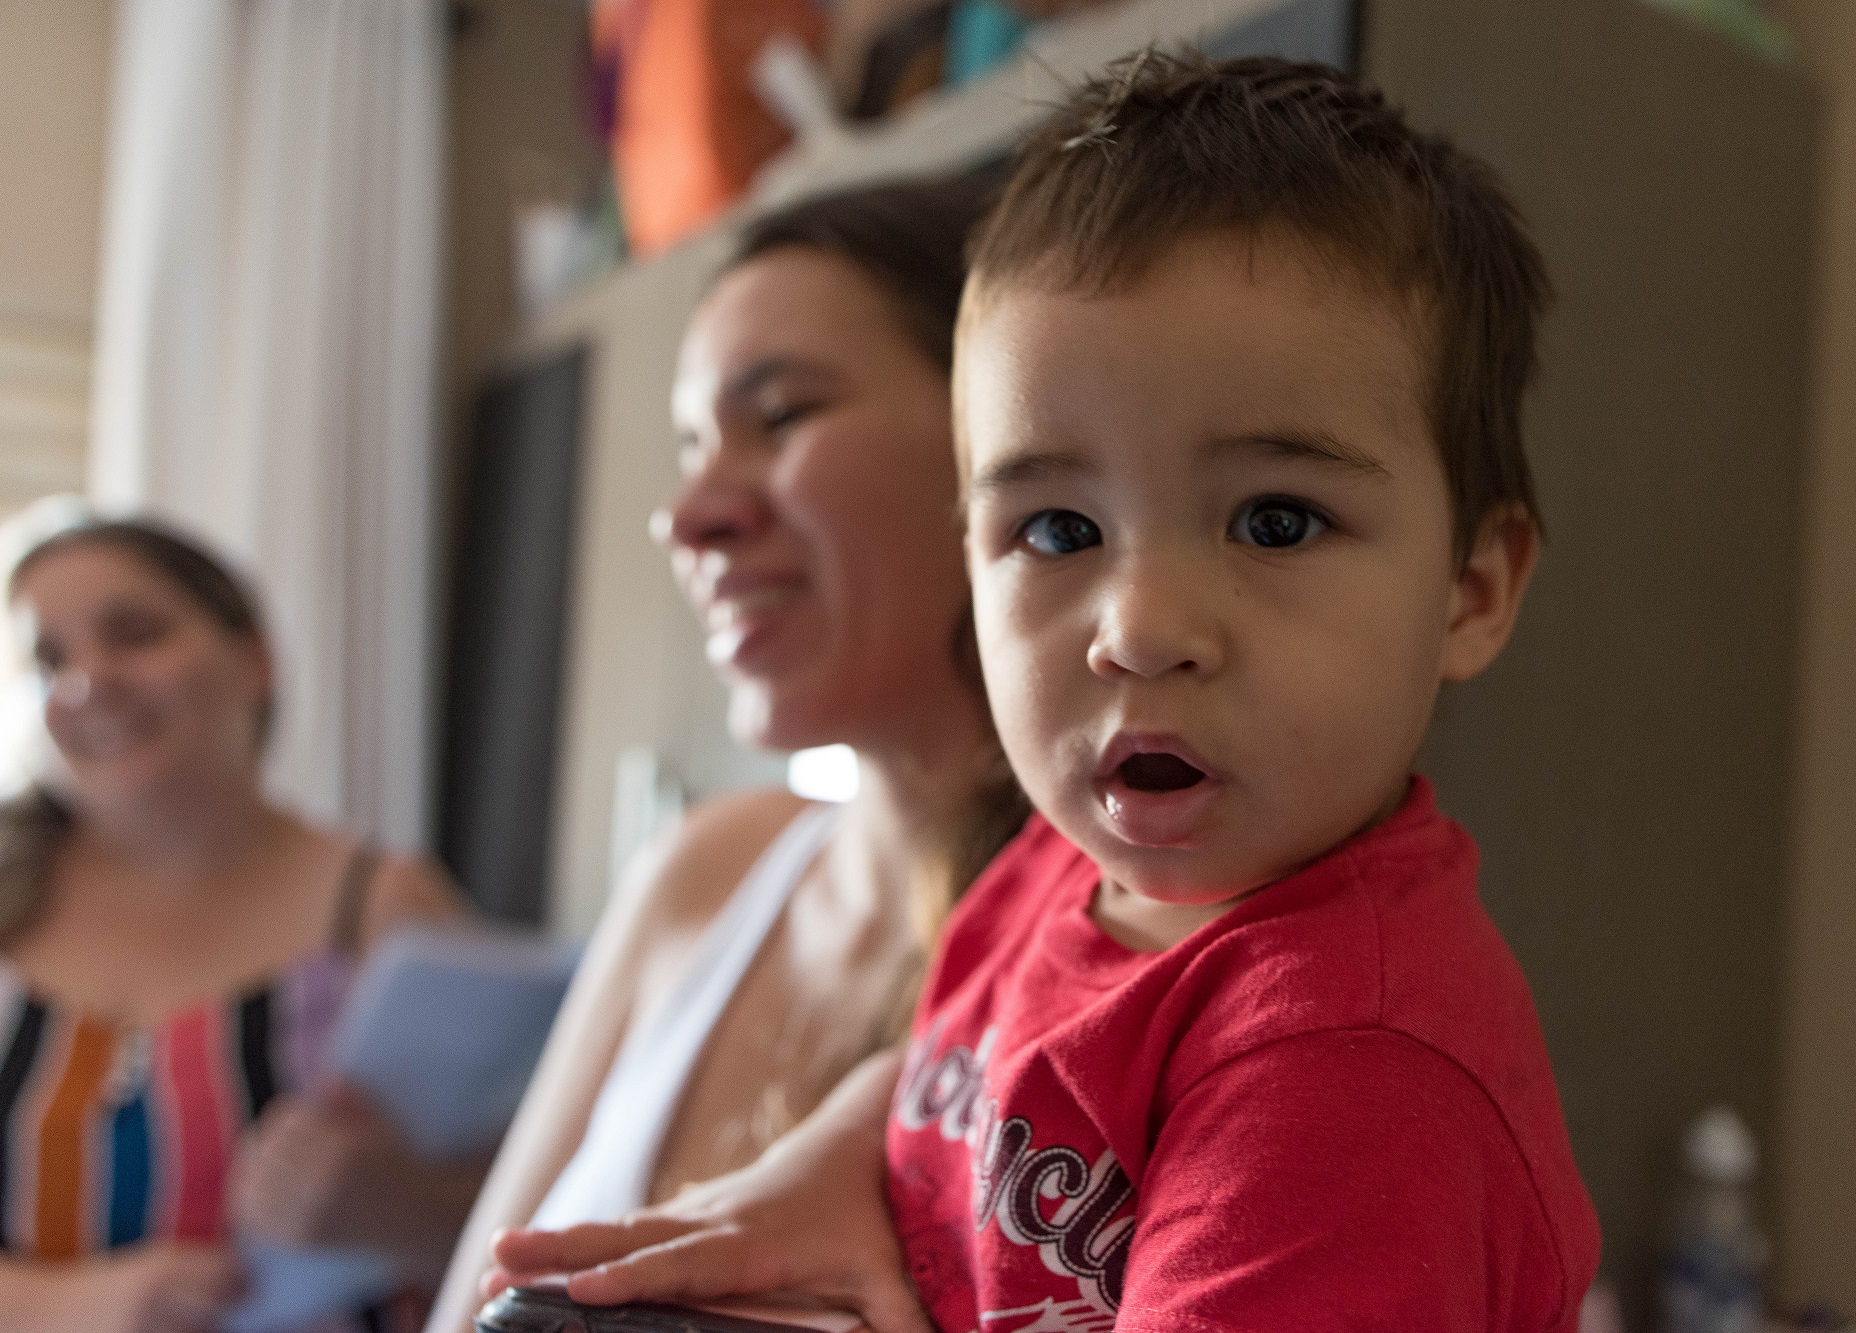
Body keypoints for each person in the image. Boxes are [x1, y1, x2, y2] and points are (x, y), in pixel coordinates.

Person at [487, 51, 1603, 1332]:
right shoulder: (1057, 874)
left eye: (1275, 520)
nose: (1137, 630)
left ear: (1470, 588)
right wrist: (829, 1162)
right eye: (1060, 532)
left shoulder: (1346, 1070)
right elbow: (960, 1064)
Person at [423, 178, 1026, 1333]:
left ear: (1002, 439)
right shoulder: (704, 871)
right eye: (694, 444)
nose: (687, 513)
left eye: (785, 414)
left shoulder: (1118, 958)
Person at [0, 517, 483, 1332]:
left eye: (136, 633)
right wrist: (72, 1305)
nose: (88, 682)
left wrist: (406, 1208)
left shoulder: (384, 905)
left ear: (253, 661)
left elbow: (543, 1210)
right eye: (51, 660)